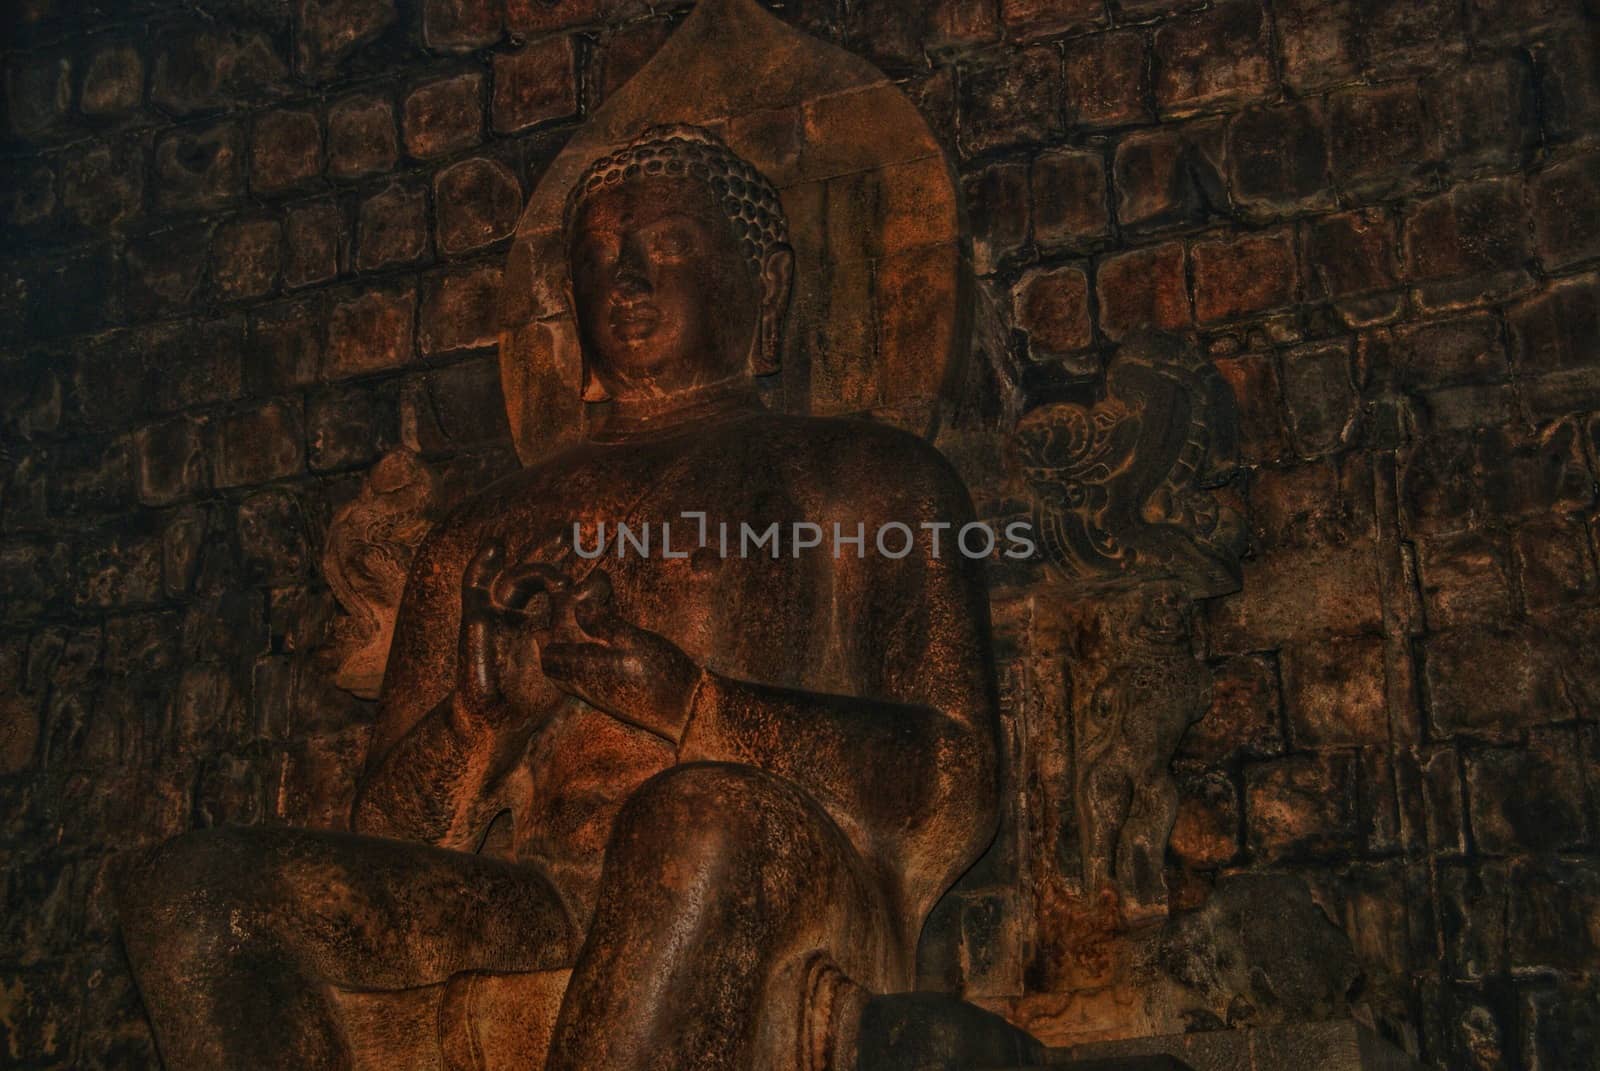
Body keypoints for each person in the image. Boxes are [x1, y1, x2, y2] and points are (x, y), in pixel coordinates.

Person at [118, 126, 1003, 1071]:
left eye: (667, 246)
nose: (626, 280)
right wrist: (477, 724)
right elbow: (383, 840)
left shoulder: (866, 476)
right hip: (546, 892)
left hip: (776, 870)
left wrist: (693, 705)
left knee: (691, 817)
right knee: (201, 892)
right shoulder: (480, 532)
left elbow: (953, 781)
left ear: (767, 285)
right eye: (597, 259)